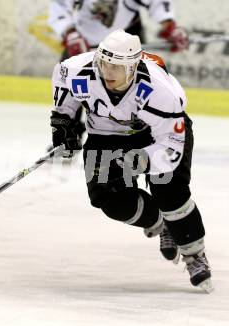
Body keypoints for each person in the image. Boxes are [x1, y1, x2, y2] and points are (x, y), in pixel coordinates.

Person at [49, 29, 213, 292]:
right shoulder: (76, 70)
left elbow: (170, 146)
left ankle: (194, 254)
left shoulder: (161, 92)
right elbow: (63, 87)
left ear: (133, 67)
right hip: (106, 136)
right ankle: (161, 224)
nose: (108, 72)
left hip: (154, 137)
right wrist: (63, 122)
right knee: (109, 200)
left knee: (169, 192)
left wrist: (136, 161)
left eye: (116, 66)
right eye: (104, 63)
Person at [48, 0, 189, 143]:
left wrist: (170, 26)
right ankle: (67, 138)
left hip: (126, 40)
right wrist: (69, 32)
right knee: (71, 84)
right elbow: (60, 4)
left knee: (132, 87)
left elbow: (156, 2)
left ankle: (131, 136)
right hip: (84, 39)